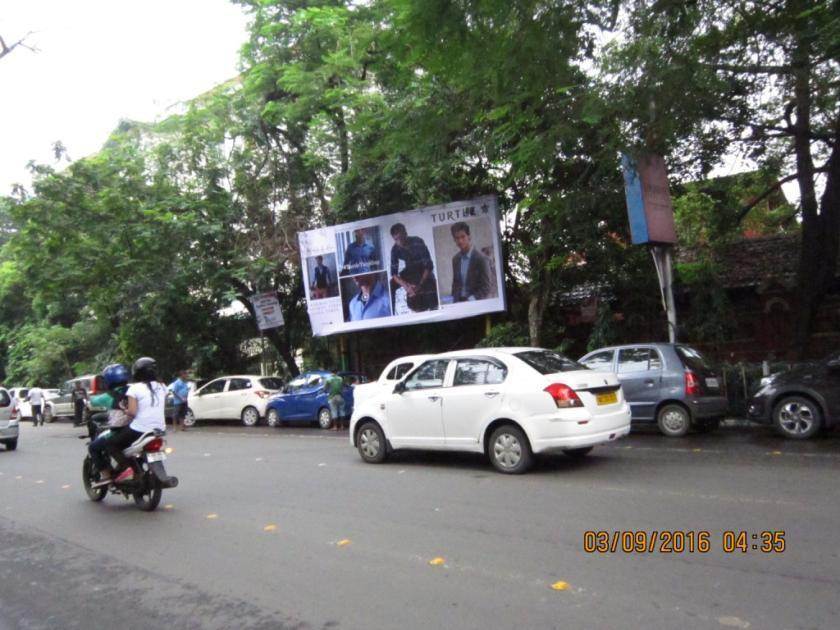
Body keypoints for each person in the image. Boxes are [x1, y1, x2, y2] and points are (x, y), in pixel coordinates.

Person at [96, 357, 167, 485]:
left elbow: (133, 412)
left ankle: (127, 468)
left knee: (111, 443)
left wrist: (125, 410)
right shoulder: (162, 387)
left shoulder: (134, 389)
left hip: (139, 429)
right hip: (159, 429)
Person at [88, 364, 132, 483]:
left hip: (120, 430)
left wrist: (89, 396)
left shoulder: (108, 396)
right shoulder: (134, 390)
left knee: (93, 447)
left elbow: (92, 402)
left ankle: (106, 475)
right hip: (136, 428)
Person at [389, 223, 439, 312]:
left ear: (405, 234)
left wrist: (420, 284)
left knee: (432, 284)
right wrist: (406, 286)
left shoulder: (417, 241)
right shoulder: (395, 249)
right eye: (396, 239)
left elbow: (428, 266)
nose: (399, 242)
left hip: (422, 270)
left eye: (401, 238)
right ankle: (391, 313)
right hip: (409, 271)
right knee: (391, 284)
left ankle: (434, 308)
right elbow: (394, 274)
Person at [449, 221, 493, 302]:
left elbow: (486, 287)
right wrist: (453, 300)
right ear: (454, 240)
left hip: (474, 301)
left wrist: (470, 301)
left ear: (469, 236)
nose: (460, 241)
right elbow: (455, 284)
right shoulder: (455, 259)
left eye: (463, 237)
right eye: (457, 238)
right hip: (458, 302)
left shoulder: (481, 259)